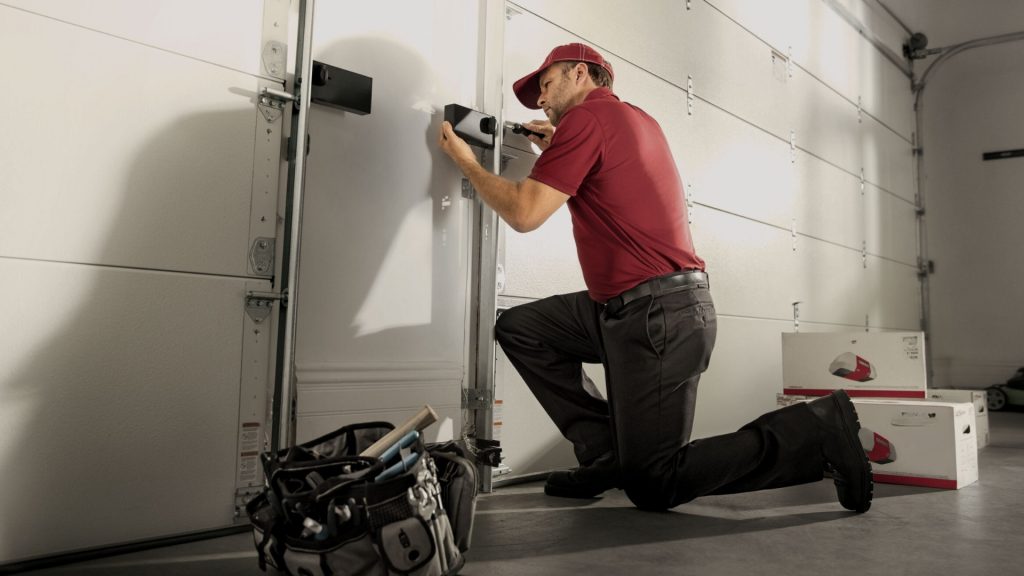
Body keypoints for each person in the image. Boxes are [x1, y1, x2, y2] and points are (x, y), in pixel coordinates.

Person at [437, 43, 872, 512]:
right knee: (521, 327)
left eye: (546, 85)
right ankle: (606, 455)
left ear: (580, 74)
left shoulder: (586, 122)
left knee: (654, 483)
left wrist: (465, 160)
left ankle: (819, 428)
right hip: (628, 308)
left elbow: (524, 213)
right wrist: (559, 146)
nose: (541, 101)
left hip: (658, 316)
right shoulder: (634, 120)